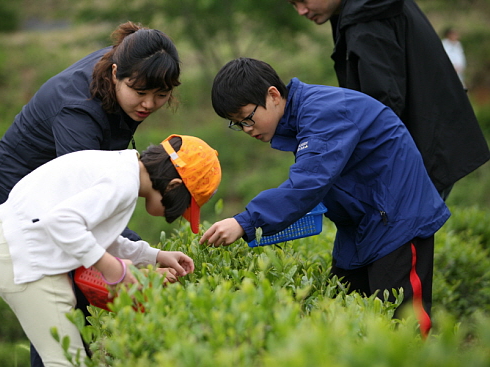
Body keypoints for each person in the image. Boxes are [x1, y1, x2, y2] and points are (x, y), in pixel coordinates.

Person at [201, 57, 451, 337]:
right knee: (342, 315)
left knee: (402, 328)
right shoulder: (302, 117)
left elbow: (310, 181)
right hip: (363, 225)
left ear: (273, 95)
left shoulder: (324, 111)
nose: (247, 129)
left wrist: (245, 221)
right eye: (237, 124)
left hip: (397, 222)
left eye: (247, 118)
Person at [0, 21, 181, 366]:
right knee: (60, 297)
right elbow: (82, 214)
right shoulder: (78, 113)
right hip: (21, 182)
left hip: (61, 191)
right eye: (140, 93)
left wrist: (144, 257)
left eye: (161, 96)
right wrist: (132, 266)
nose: (149, 104)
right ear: (117, 74)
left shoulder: (131, 64)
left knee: (80, 284)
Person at [0, 134, 222, 367]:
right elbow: (60, 222)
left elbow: (99, 236)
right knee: (67, 362)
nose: (174, 216)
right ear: (173, 185)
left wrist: (155, 256)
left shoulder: (120, 169)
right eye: (181, 207)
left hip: (21, 256)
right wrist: (113, 269)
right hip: (28, 264)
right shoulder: (122, 182)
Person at [286, 0, 489, 200]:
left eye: (303, 1)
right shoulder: (368, 6)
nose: (301, 11)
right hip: (432, 138)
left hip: (418, 150)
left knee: (403, 229)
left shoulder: (368, 16)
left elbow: (382, 104)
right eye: (293, 5)